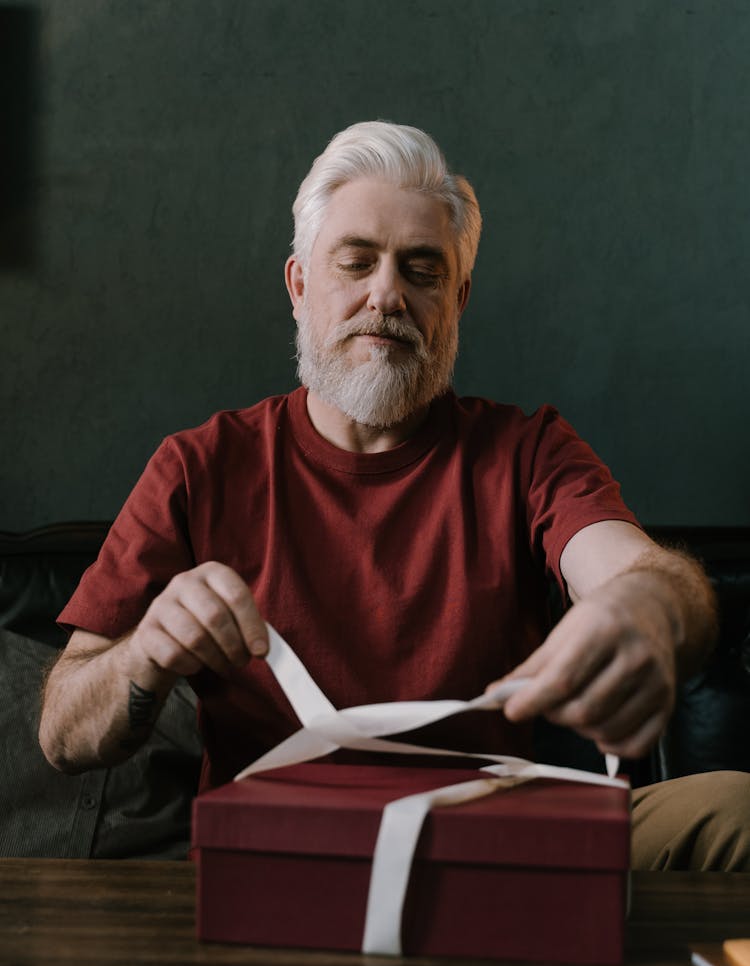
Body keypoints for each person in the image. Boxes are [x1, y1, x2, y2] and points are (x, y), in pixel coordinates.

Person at [39, 121, 750, 870]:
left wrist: (645, 608)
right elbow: (61, 732)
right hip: (281, 857)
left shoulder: (527, 450)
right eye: (356, 262)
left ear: (458, 300)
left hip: (495, 853)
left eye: (422, 270)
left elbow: (645, 573)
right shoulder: (199, 467)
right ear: (300, 284)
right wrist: (145, 655)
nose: (388, 294)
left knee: (734, 809)